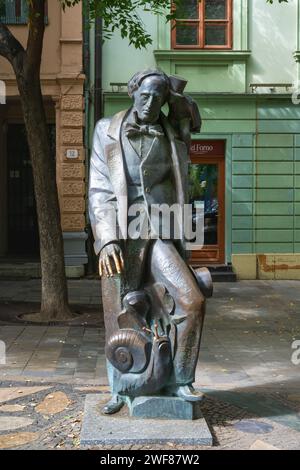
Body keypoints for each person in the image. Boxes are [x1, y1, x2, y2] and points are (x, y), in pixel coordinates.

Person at [89, 69, 209, 415]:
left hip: (160, 230)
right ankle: (120, 388)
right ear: (132, 94)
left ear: (165, 100)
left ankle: (181, 380)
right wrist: (106, 239)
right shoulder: (107, 131)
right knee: (119, 313)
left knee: (191, 301)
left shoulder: (172, 134)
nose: (149, 102)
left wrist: (179, 101)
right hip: (122, 236)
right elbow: (99, 189)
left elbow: (192, 116)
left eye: (158, 97)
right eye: (144, 95)